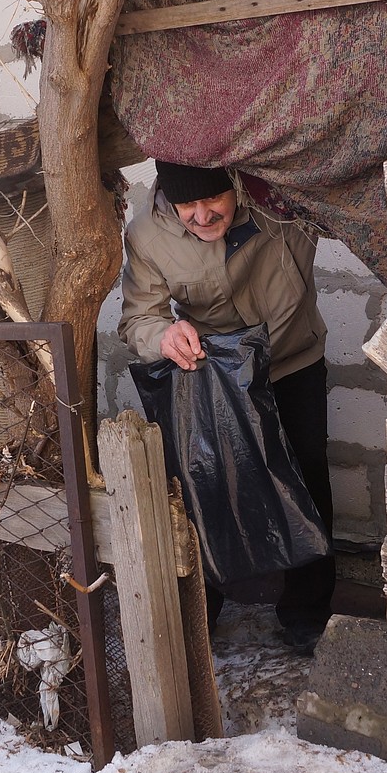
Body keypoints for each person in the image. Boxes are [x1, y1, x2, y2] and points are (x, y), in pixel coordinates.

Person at [118, 160, 335, 653]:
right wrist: (164, 335)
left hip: (291, 360)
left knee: (306, 480)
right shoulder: (148, 235)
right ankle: (200, 615)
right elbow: (137, 321)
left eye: (211, 199)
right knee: (206, 489)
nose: (200, 215)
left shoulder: (279, 199)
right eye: (186, 204)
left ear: (235, 185)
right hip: (216, 376)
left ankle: (307, 616)